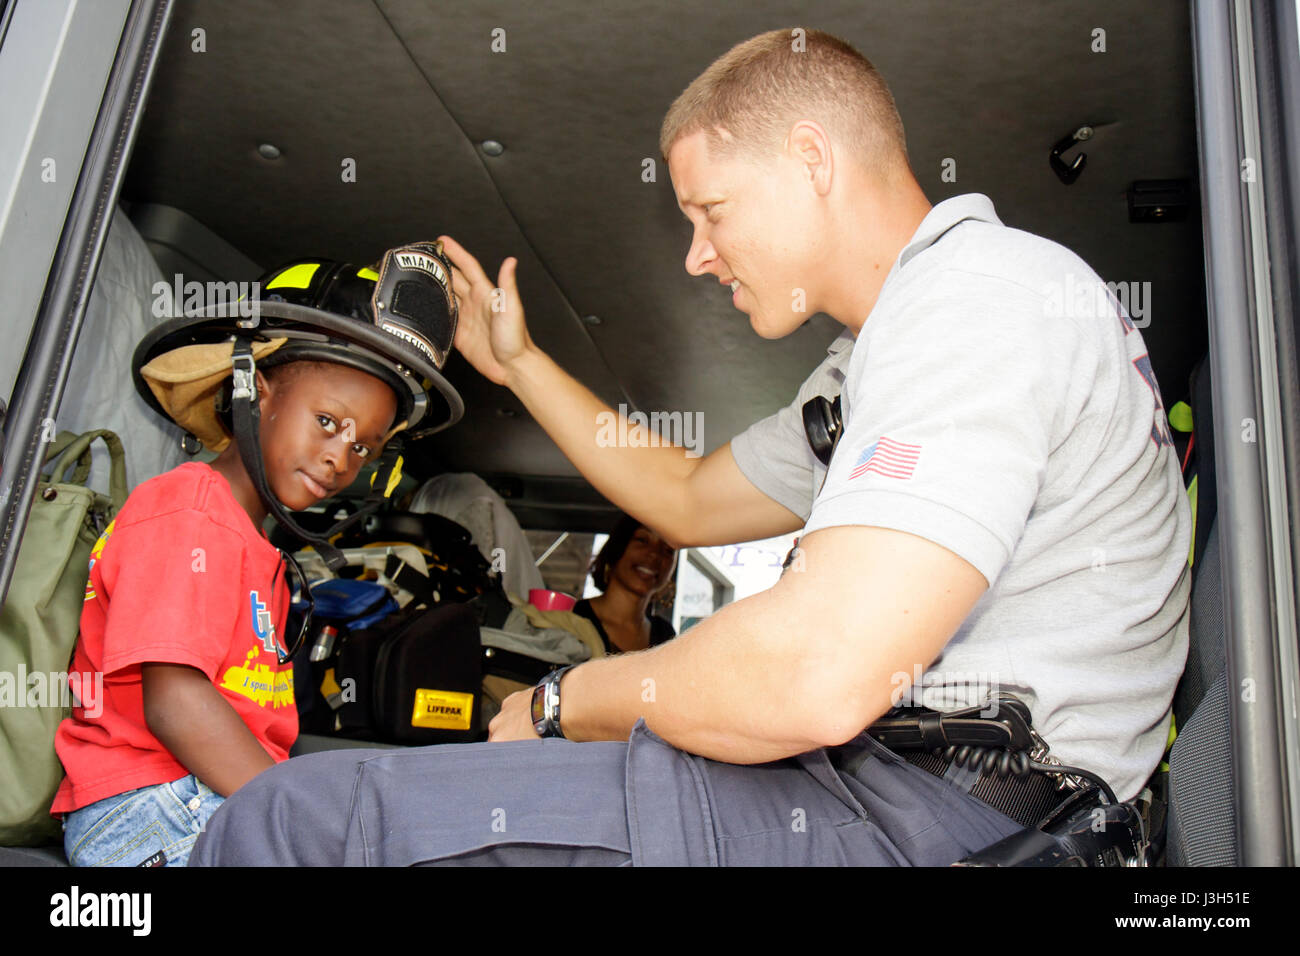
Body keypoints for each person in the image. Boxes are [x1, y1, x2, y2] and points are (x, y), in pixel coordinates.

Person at [189, 29, 1190, 867]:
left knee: (289, 820)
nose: (696, 254)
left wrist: (563, 699)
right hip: (911, 795)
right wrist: (522, 360)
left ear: (811, 158)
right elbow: (688, 495)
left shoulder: (976, 301)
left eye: (710, 211)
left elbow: (818, 672)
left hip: (950, 818)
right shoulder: (879, 360)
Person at [50, 242, 462, 866]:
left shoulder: (256, 545)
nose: (340, 458)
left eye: (364, 448)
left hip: (203, 799)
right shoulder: (189, 507)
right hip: (150, 808)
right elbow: (174, 699)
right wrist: (295, 811)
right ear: (258, 391)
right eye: (328, 421)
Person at [573, 514, 677, 654]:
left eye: (668, 550)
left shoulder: (664, 635)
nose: (655, 554)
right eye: (642, 540)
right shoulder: (573, 618)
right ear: (617, 547)